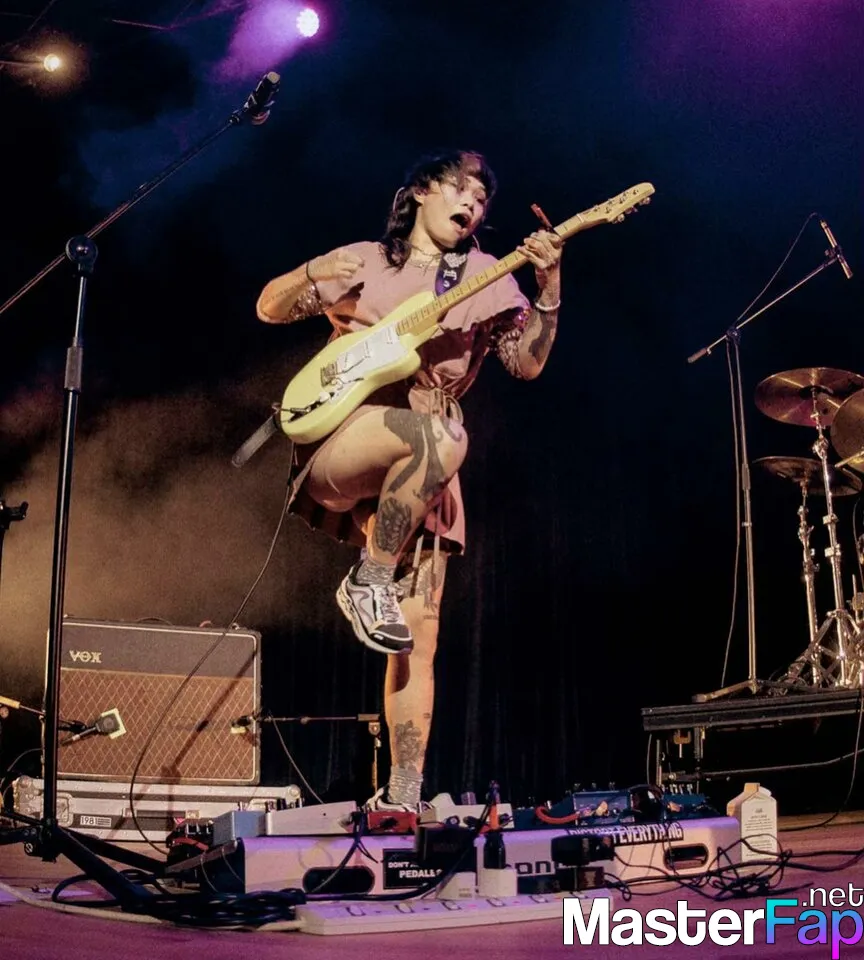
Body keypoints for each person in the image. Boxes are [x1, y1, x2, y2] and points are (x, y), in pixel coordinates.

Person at [256, 150, 562, 810]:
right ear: (422, 190)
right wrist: (312, 272)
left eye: (481, 200)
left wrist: (549, 286)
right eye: (460, 188)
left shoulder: (483, 275)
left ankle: (401, 796)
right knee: (442, 437)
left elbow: (526, 363)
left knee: (418, 636)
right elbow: (270, 308)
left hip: (429, 459)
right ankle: (368, 579)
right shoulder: (367, 259)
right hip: (351, 429)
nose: (471, 203)